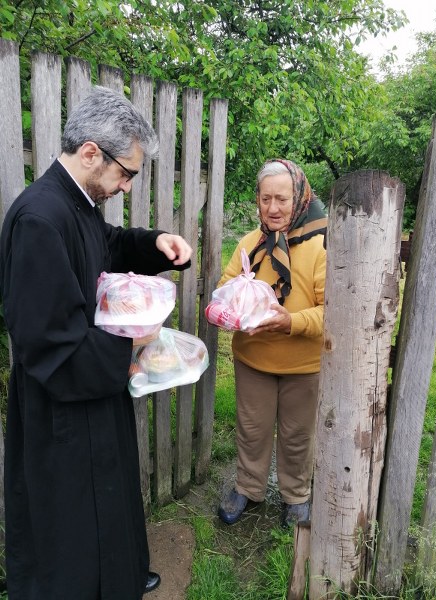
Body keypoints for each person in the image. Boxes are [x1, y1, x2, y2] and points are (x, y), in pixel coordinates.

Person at [0, 86, 193, 600]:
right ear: (91, 152)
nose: (126, 186)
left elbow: (104, 246)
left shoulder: (78, 203)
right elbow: (48, 345)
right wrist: (132, 349)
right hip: (60, 407)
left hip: (94, 387)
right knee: (72, 523)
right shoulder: (39, 218)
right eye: (126, 173)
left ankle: (121, 577)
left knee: (110, 498)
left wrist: (155, 244)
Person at [217, 159, 327, 528]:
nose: (273, 208)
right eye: (266, 199)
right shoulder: (250, 243)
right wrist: (225, 307)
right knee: (252, 429)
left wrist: (290, 322)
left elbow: (333, 312)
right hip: (253, 360)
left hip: (304, 365)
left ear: (300, 198)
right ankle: (248, 487)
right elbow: (226, 285)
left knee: (297, 434)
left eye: (282, 199)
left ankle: (296, 495)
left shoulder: (321, 245)